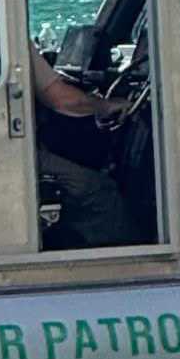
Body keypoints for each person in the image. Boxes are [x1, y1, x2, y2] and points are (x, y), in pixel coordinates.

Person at [29, 41, 140, 246]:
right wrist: (106, 105)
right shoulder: (17, 43)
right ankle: (119, 258)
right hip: (23, 155)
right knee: (100, 190)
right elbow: (63, 100)